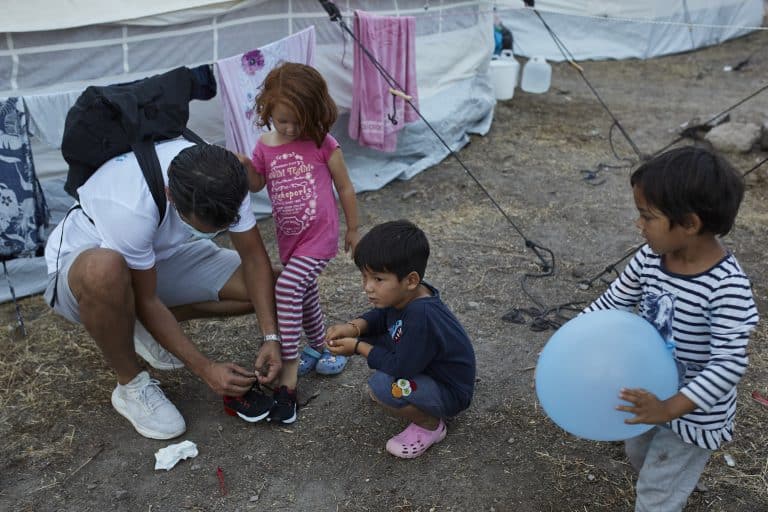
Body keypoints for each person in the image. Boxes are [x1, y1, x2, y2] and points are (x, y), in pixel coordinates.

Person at [44, 140, 283, 440]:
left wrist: (270, 336)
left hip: (155, 258)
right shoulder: (130, 207)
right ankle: (130, 385)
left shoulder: (227, 175)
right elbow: (147, 298)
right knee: (104, 270)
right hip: (84, 268)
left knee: (276, 286)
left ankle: (136, 326)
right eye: (199, 226)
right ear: (170, 195)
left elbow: (254, 259)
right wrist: (206, 368)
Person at [583, 146, 759, 511]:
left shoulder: (726, 287)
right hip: (649, 391)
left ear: (690, 224)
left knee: (656, 495)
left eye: (647, 217)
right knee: (640, 453)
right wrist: (570, 342)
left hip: (692, 413)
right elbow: (614, 301)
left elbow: (728, 364)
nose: (639, 225)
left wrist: (670, 408)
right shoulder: (650, 257)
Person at [239, 62, 360, 424]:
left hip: (319, 237)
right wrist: (245, 165)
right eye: (282, 120)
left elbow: (346, 186)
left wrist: (354, 228)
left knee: (288, 286)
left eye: (296, 120)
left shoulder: (322, 142)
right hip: (290, 238)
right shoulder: (265, 145)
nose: (290, 128)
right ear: (268, 114)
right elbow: (257, 184)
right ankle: (322, 347)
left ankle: (288, 382)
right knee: (303, 292)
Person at [326, 220, 476, 459]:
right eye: (365, 277)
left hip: (451, 392)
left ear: (411, 280)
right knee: (381, 341)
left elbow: (400, 367)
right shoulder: (408, 296)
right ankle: (420, 401)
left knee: (383, 387)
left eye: (378, 279)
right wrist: (355, 327)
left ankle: (431, 425)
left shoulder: (421, 317)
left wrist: (357, 347)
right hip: (429, 369)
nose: (367, 287)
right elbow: (382, 315)